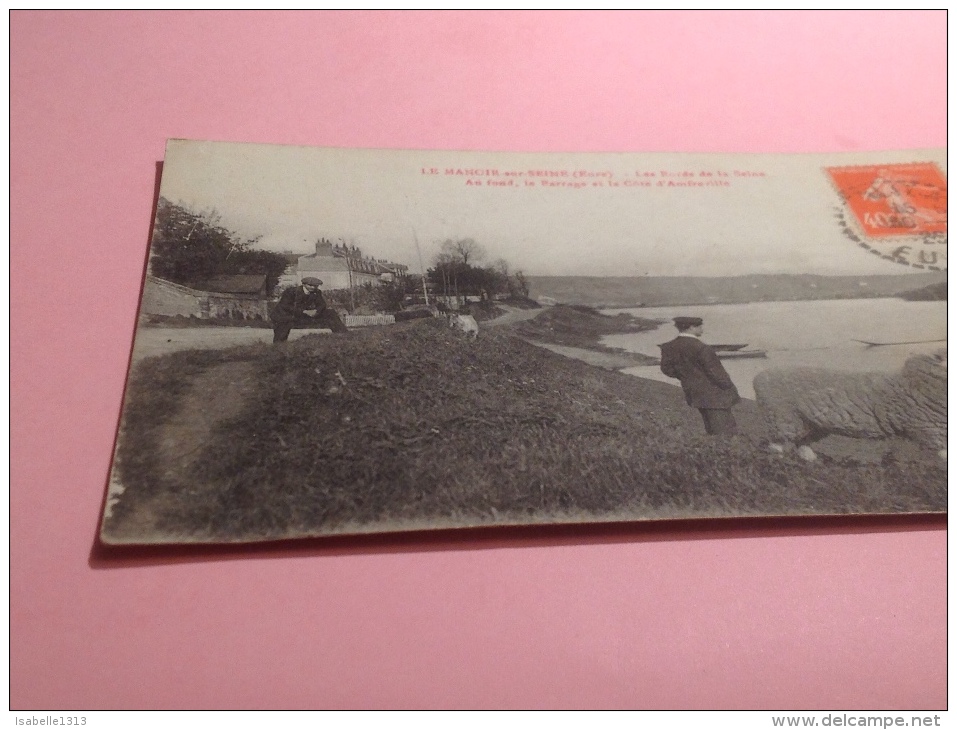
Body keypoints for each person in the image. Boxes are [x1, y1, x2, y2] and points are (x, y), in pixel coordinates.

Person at [659, 316, 740, 435]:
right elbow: (716, 373)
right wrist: (728, 386)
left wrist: (686, 376)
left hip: (693, 391)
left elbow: (666, 369)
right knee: (725, 430)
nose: (702, 329)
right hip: (715, 394)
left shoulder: (668, 346)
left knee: (710, 427)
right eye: (700, 326)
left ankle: (716, 450)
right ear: (691, 328)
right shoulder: (702, 347)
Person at [270, 277, 348, 343]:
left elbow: (322, 305)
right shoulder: (291, 291)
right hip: (284, 315)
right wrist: (304, 311)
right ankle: (278, 348)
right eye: (310, 285)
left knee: (330, 313)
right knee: (281, 337)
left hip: (301, 315)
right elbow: (285, 306)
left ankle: (343, 335)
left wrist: (316, 311)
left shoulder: (317, 292)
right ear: (304, 284)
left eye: (316, 286)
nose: (313, 288)